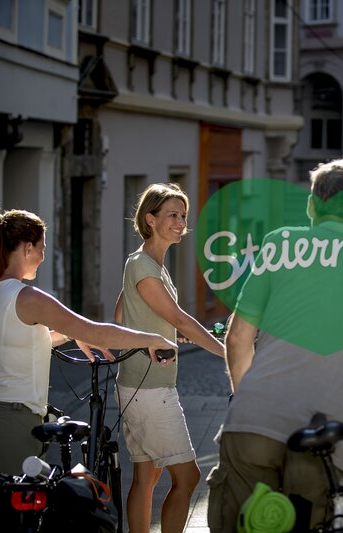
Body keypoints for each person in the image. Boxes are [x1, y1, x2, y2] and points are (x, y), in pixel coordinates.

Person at [206, 159, 343, 532]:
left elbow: (238, 339)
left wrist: (246, 398)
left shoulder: (277, 245)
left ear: (310, 205)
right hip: (321, 438)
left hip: (254, 422)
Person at [0, 209, 177, 496]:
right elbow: (95, 331)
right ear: (27, 248)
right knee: (15, 513)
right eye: (42, 248)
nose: (44, 256)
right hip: (12, 423)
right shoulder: (27, 297)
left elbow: (11, 342)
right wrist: (150, 338)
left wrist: (70, 334)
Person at [114, 183, 226, 533]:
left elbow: (121, 315)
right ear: (150, 219)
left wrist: (153, 328)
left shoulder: (145, 263)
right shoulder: (145, 266)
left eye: (183, 216)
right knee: (188, 476)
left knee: (146, 476)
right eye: (172, 215)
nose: (180, 222)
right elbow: (179, 318)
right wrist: (228, 352)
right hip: (149, 388)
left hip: (138, 382)